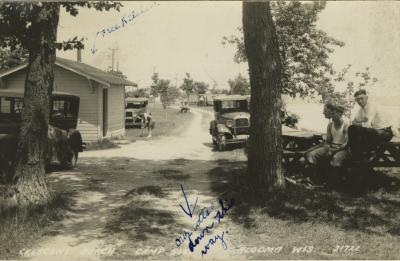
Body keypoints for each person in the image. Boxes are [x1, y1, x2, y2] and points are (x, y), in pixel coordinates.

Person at [306, 102, 349, 182]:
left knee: (336, 159)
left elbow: (346, 144)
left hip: (342, 149)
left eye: (333, 114)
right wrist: (327, 147)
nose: (331, 116)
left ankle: (334, 184)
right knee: (311, 155)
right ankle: (315, 179)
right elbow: (328, 140)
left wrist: (333, 151)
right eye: (331, 114)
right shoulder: (330, 125)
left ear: (339, 114)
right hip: (332, 147)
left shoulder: (346, 125)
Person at [347, 89, 393, 160]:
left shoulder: (371, 106)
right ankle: (358, 157)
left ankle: (361, 156)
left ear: (367, 98)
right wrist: (361, 123)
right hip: (374, 132)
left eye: (361, 98)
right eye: (357, 99)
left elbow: (366, 125)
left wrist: (360, 123)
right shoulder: (361, 110)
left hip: (385, 132)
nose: (359, 101)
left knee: (358, 130)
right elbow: (354, 122)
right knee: (352, 129)